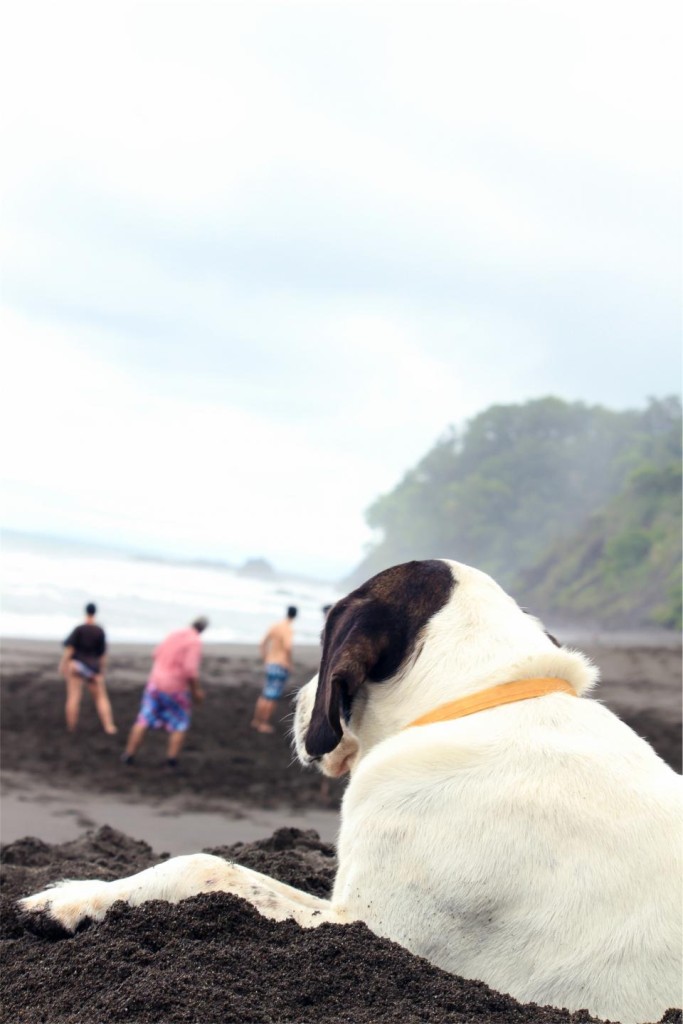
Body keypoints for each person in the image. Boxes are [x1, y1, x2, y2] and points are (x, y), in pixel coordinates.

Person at [121, 616, 209, 768]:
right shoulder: (195, 642)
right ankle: (171, 760)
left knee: (144, 719)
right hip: (175, 688)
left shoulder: (173, 634)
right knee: (180, 722)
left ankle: (129, 754)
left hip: (155, 683)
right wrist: (196, 692)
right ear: (203, 630)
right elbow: (190, 671)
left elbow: (155, 654)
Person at [60, 602, 117, 735]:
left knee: (73, 696)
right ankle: (109, 726)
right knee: (101, 698)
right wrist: (101, 670)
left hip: (77, 665)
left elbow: (70, 649)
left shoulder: (79, 629)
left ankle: (71, 727)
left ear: (85, 612)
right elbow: (102, 654)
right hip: (93, 667)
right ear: (95, 612)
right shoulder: (99, 631)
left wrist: (64, 664)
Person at [251, 606, 297, 734]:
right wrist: (289, 663)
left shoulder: (275, 626)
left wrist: (266, 658)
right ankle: (263, 723)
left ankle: (256, 720)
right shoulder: (288, 629)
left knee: (265, 693)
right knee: (273, 696)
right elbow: (287, 647)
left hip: (270, 663)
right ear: (294, 616)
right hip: (280, 665)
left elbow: (262, 643)